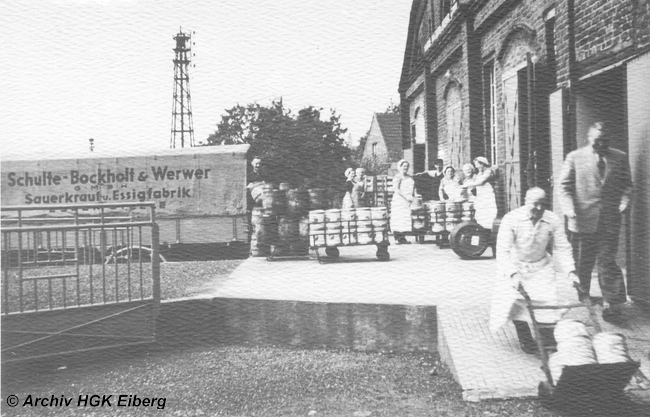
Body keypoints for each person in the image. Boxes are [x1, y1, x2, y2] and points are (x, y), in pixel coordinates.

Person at [489, 187, 580, 354]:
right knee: (515, 302)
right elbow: (502, 251)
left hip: (542, 267)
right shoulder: (511, 219)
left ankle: (546, 339)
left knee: (547, 302)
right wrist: (512, 274)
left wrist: (570, 271)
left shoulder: (552, 219)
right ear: (525, 202)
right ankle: (525, 338)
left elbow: (563, 247)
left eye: (542, 204)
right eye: (535, 204)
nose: (539, 209)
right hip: (516, 266)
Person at [558, 122, 633, 322]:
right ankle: (583, 294)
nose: (601, 145)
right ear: (589, 139)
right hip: (582, 218)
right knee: (584, 261)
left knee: (607, 260)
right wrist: (569, 209)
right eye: (597, 141)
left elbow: (627, 185)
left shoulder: (619, 157)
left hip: (609, 219)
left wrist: (624, 203)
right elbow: (564, 186)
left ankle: (613, 304)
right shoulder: (574, 157)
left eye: (604, 141)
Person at [461, 157, 498, 229]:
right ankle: (482, 230)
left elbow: (480, 182)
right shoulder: (480, 173)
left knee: (488, 214)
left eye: (477, 164)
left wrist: (465, 185)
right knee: (480, 214)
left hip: (488, 196)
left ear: (482, 164)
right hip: (481, 196)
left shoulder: (488, 172)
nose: (476, 166)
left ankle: (489, 230)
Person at [391, 159, 415, 244]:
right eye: (404, 166)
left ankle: (403, 237)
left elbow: (413, 187)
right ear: (400, 167)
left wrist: (413, 196)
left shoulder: (409, 177)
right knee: (399, 218)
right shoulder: (397, 177)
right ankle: (398, 237)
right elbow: (396, 189)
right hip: (399, 200)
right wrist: (406, 197)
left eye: (407, 166)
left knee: (405, 218)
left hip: (407, 200)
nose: (405, 168)